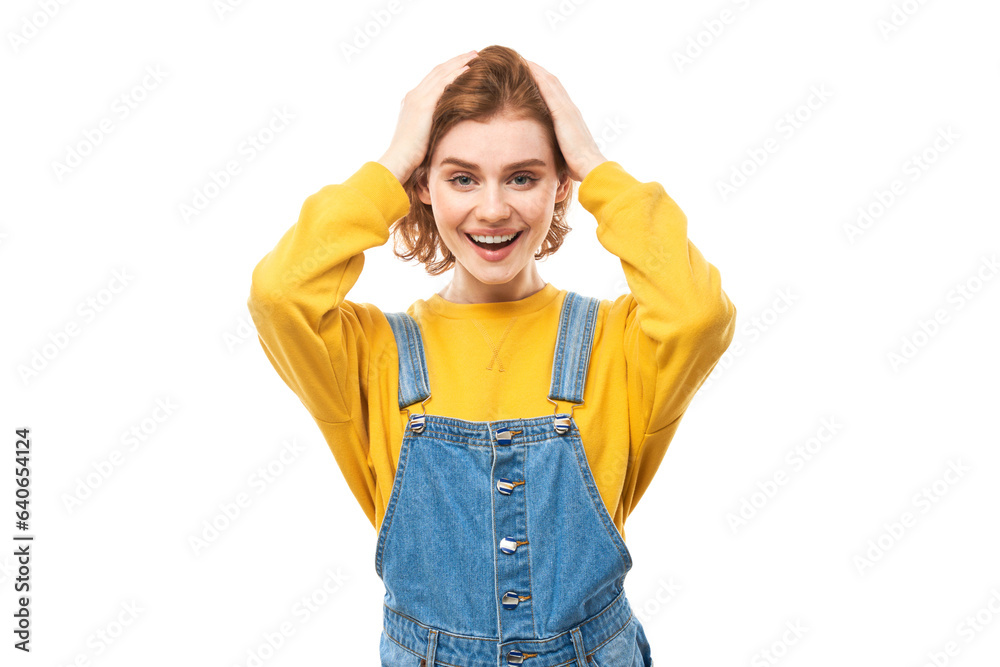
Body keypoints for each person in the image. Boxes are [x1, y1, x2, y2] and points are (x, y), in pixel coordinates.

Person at [248, 44, 736, 667]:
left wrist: (595, 164)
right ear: (422, 186)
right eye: (462, 178)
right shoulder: (371, 353)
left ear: (561, 186)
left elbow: (700, 312)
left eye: (523, 177)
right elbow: (279, 295)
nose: (494, 208)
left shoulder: (616, 340)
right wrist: (392, 162)